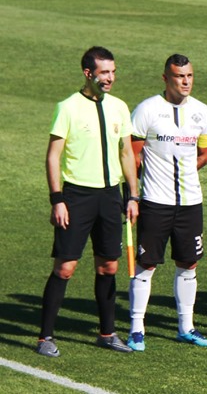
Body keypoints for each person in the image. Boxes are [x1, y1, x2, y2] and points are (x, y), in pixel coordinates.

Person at [38, 46, 139, 357]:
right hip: (77, 197)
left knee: (109, 266)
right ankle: (45, 337)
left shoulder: (120, 107)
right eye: (104, 72)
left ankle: (107, 333)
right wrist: (58, 200)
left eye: (112, 72)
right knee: (66, 267)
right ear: (88, 73)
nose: (110, 78)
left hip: (110, 197)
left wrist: (133, 195)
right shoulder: (67, 107)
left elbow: (126, 154)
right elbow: (53, 157)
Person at [126, 54, 207, 351]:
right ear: (166, 78)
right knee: (147, 263)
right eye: (179, 76)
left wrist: (187, 172)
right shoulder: (147, 110)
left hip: (191, 202)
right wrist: (134, 194)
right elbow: (132, 156)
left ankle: (186, 327)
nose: (186, 81)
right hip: (155, 201)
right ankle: (137, 328)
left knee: (188, 263)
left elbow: (206, 151)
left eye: (189, 75)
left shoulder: (202, 112)